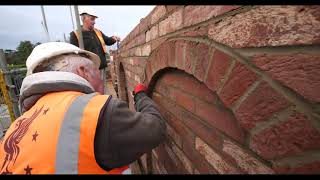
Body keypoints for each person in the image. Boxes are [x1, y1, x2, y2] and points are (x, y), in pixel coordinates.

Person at [0, 42, 166, 174]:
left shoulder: (17, 126)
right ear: (82, 71)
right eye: (96, 73)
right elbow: (155, 129)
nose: (102, 83)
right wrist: (140, 96)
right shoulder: (95, 111)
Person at [69, 7, 120, 94]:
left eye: (94, 19)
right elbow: (74, 55)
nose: (94, 22)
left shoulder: (97, 32)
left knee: (102, 89)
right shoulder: (75, 35)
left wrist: (114, 38)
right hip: (89, 70)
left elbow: (107, 40)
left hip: (102, 67)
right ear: (84, 18)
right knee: (93, 91)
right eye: (92, 19)